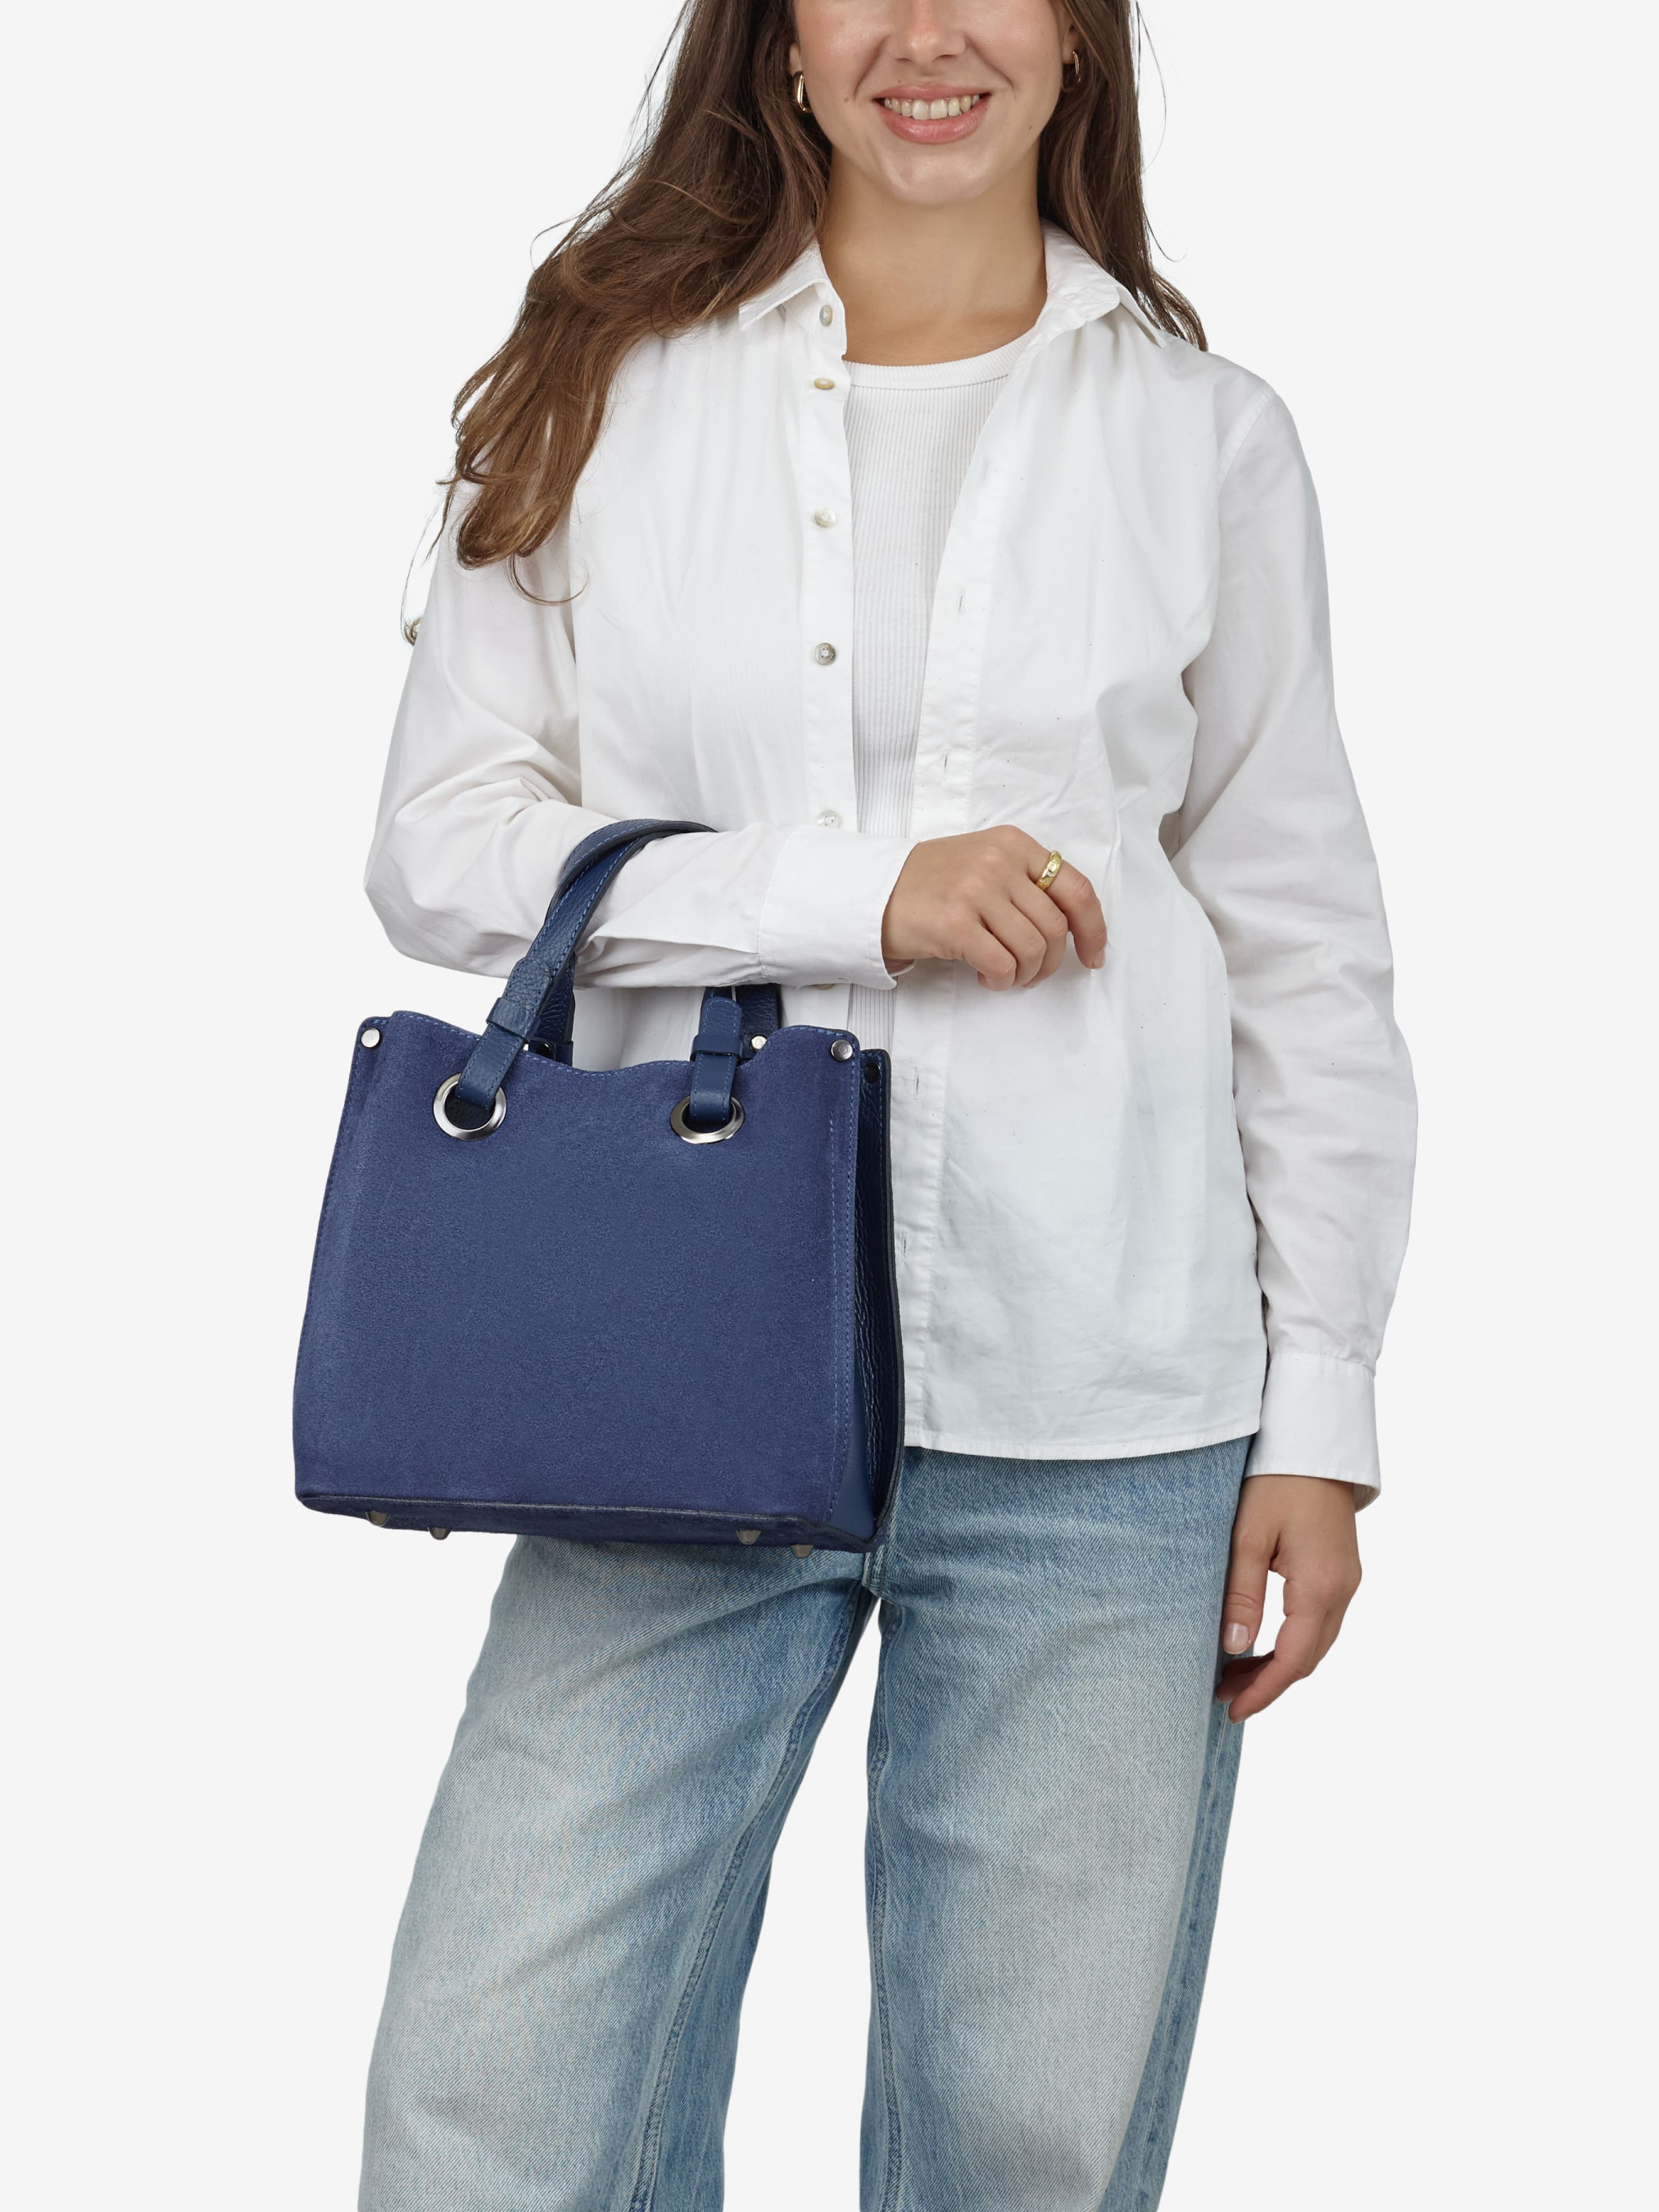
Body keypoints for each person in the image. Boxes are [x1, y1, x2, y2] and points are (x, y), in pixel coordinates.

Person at [354, 2, 1416, 2205]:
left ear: (1078, 38)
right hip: (669, 1382)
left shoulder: (1203, 435)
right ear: (777, 39)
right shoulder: (596, 390)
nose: (927, 34)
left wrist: (1319, 1407)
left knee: (1025, 2146)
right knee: (496, 2103)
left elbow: (1301, 939)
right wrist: (860, 896)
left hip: (1108, 1395)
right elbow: (441, 847)